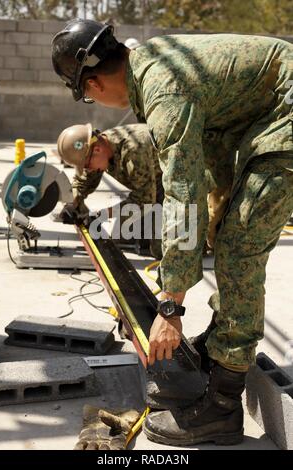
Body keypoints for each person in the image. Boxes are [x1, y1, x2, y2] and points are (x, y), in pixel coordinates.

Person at [51, 20, 293, 446]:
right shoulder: (154, 67)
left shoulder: (163, 87)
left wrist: (171, 306)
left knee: (240, 247)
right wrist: (215, 217)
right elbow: (209, 162)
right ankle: (223, 349)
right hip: (267, 118)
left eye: (87, 94)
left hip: (285, 119)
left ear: (92, 83)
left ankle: (221, 405)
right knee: (229, 232)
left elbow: (181, 191)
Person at [57, 122, 164, 258]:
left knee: (165, 251)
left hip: (184, 181)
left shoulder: (134, 149)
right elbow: (84, 181)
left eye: (87, 165)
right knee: (123, 235)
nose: (88, 170)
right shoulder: (100, 146)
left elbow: (144, 200)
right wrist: (73, 201)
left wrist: (102, 215)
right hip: (153, 182)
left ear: (97, 150)